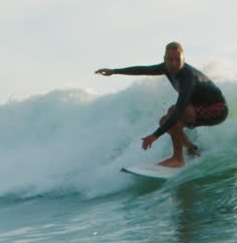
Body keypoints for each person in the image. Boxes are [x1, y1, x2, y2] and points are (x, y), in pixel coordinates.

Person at [95, 42, 228, 168]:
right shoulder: (166, 68)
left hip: (217, 109)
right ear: (164, 58)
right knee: (164, 121)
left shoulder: (187, 77)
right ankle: (192, 149)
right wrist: (114, 71)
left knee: (173, 113)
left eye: (178, 59)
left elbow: (180, 109)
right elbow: (143, 70)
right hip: (199, 108)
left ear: (183, 59)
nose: (174, 63)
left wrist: (154, 136)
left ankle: (178, 159)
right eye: (170, 59)